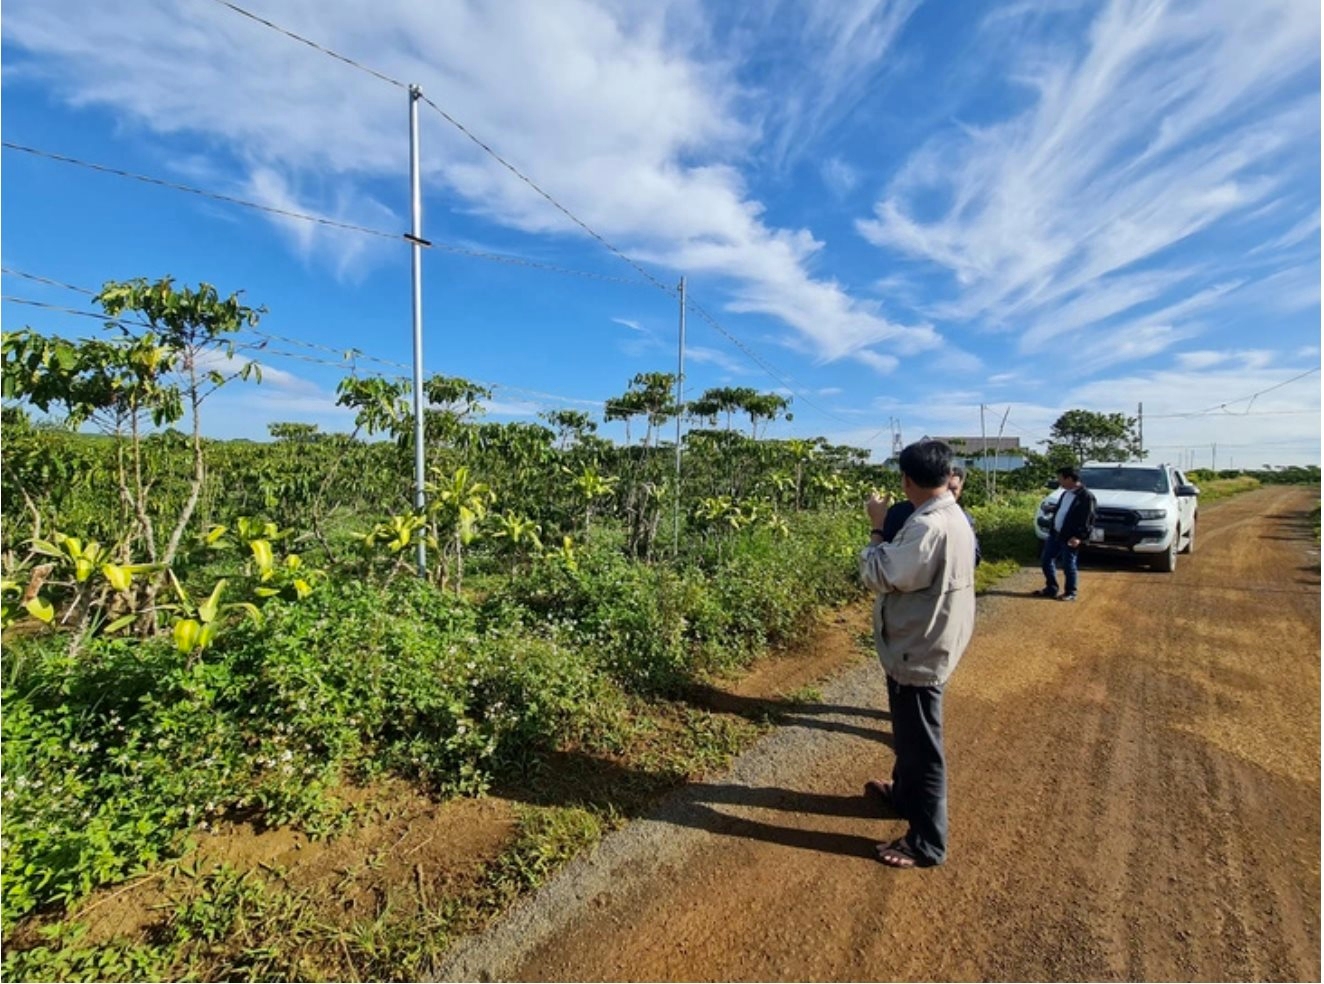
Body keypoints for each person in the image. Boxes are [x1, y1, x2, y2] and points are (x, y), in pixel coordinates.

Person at [860, 440, 977, 868]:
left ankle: (927, 842)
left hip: (919, 650)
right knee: (910, 739)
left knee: (922, 747)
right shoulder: (949, 514)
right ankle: (904, 795)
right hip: (926, 641)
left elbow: (879, 572)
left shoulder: (928, 527)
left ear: (906, 480)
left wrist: (876, 526)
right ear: (948, 476)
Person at [882, 464, 981, 566]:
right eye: (944, 488)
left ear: (961, 488)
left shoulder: (964, 519)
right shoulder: (899, 512)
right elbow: (884, 553)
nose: (947, 494)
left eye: (953, 489)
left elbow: (975, 557)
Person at [1034, 465, 1096, 602]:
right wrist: (1053, 508)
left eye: (1060, 478)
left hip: (1070, 537)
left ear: (1069, 478)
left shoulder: (1086, 497)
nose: (1059, 481)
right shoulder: (1065, 493)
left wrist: (1079, 537)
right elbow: (1064, 510)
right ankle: (1051, 588)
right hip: (1056, 533)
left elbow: (1088, 519)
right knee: (1046, 560)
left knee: (1068, 565)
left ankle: (1070, 592)